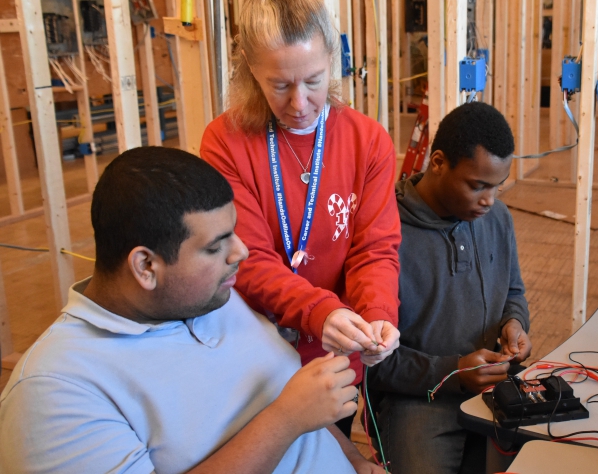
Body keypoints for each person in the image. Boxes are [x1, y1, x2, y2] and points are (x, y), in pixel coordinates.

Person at [0, 147, 382, 474]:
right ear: (146, 267)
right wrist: (284, 420)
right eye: (215, 247)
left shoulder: (210, 297)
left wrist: (352, 458)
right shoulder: (55, 390)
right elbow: (293, 410)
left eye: (234, 232)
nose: (241, 252)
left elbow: (295, 398)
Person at [200, 0, 401, 437]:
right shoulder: (225, 142)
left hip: (337, 350)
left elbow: (374, 248)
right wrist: (319, 311)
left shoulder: (367, 140)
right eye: (279, 85)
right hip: (254, 351)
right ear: (251, 69)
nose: (299, 102)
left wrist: (376, 318)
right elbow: (246, 259)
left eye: (313, 80)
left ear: (334, 57)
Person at [368, 102, 533, 474]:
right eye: (478, 186)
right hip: (416, 399)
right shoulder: (383, 232)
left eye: (497, 187)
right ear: (438, 162)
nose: (489, 201)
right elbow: (370, 362)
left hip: (493, 388)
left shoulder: (497, 219)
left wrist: (514, 324)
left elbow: (514, 293)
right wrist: (452, 370)